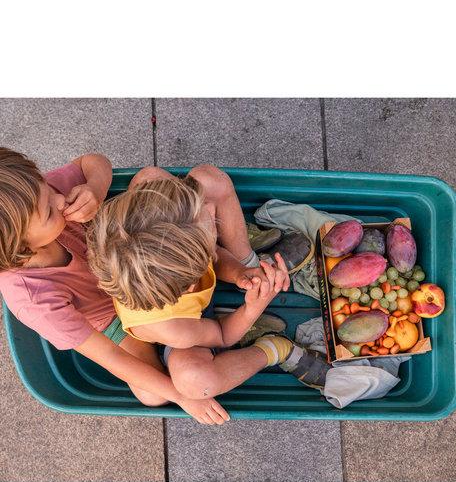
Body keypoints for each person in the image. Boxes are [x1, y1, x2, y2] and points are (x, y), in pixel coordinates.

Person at [0, 148, 236, 425]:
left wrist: (95, 189)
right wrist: (182, 396)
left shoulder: (38, 196)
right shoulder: (33, 300)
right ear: (21, 246)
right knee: (152, 395)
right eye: (51, 211)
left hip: (133, 254)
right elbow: (110, 357)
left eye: (48, 187)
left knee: (151, 177)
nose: (61, 197)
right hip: (112, 316)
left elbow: (92, 161)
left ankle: (223, 253)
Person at [87, 165, 331, 402]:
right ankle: (275, 348)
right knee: (195, 381)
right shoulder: (172, 329)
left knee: (158, 177)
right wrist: (253, 308)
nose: (212, 207)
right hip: (190, 325)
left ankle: (249, 260)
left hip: (178, 281)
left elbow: (208, 254)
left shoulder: (168, 253)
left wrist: (243, 273)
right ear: (193, 282)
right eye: (212, 222)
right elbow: (223, 335)